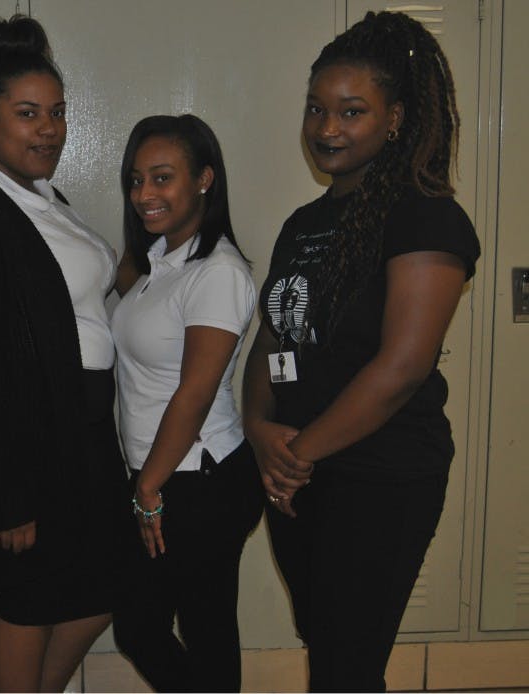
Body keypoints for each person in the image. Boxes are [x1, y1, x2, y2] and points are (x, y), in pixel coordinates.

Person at [242, 11, 480, 691]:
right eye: (317, 109)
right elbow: (272, 339)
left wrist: (295, 454)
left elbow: (400, 368)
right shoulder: (304, 223)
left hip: (379, 477)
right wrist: (260, 430)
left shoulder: (425, 215)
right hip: (298, 477)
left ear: (396, 118)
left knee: (345, 666)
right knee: (335, 653)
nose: (326, 128)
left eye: (352, 111)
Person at [0, 14, 128, 692]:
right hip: (28, 457)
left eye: (58, 113)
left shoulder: (43, 197)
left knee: (100, 587)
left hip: (81, 440)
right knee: (27, 602)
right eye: (28, 113)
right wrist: (6, 497)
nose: (49, 129)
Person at [110, 115, 262, 692]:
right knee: (146, 625)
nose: (144, 194)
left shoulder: (218, 272)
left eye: (162, 178)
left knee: (199, 629)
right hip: (163, 474)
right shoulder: (159, 261)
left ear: (204, 179)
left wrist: (148, 489)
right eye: (136, 179)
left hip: (197, 480)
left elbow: (195, 391)